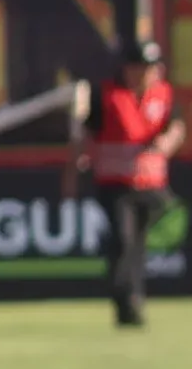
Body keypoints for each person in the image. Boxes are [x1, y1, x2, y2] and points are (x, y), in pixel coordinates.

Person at [77, 42, 182, 328]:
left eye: (150, 68)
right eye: (139, 68)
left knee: (137, 245)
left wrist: (165, 145)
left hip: (150, 184)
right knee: (122, 240)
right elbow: (87, 135)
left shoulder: (163, 95)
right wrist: (78, 165)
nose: (144, 74)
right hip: (115, 183)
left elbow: (175, 127)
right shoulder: (107, 95)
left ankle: (133, 298)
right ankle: (126, 303)